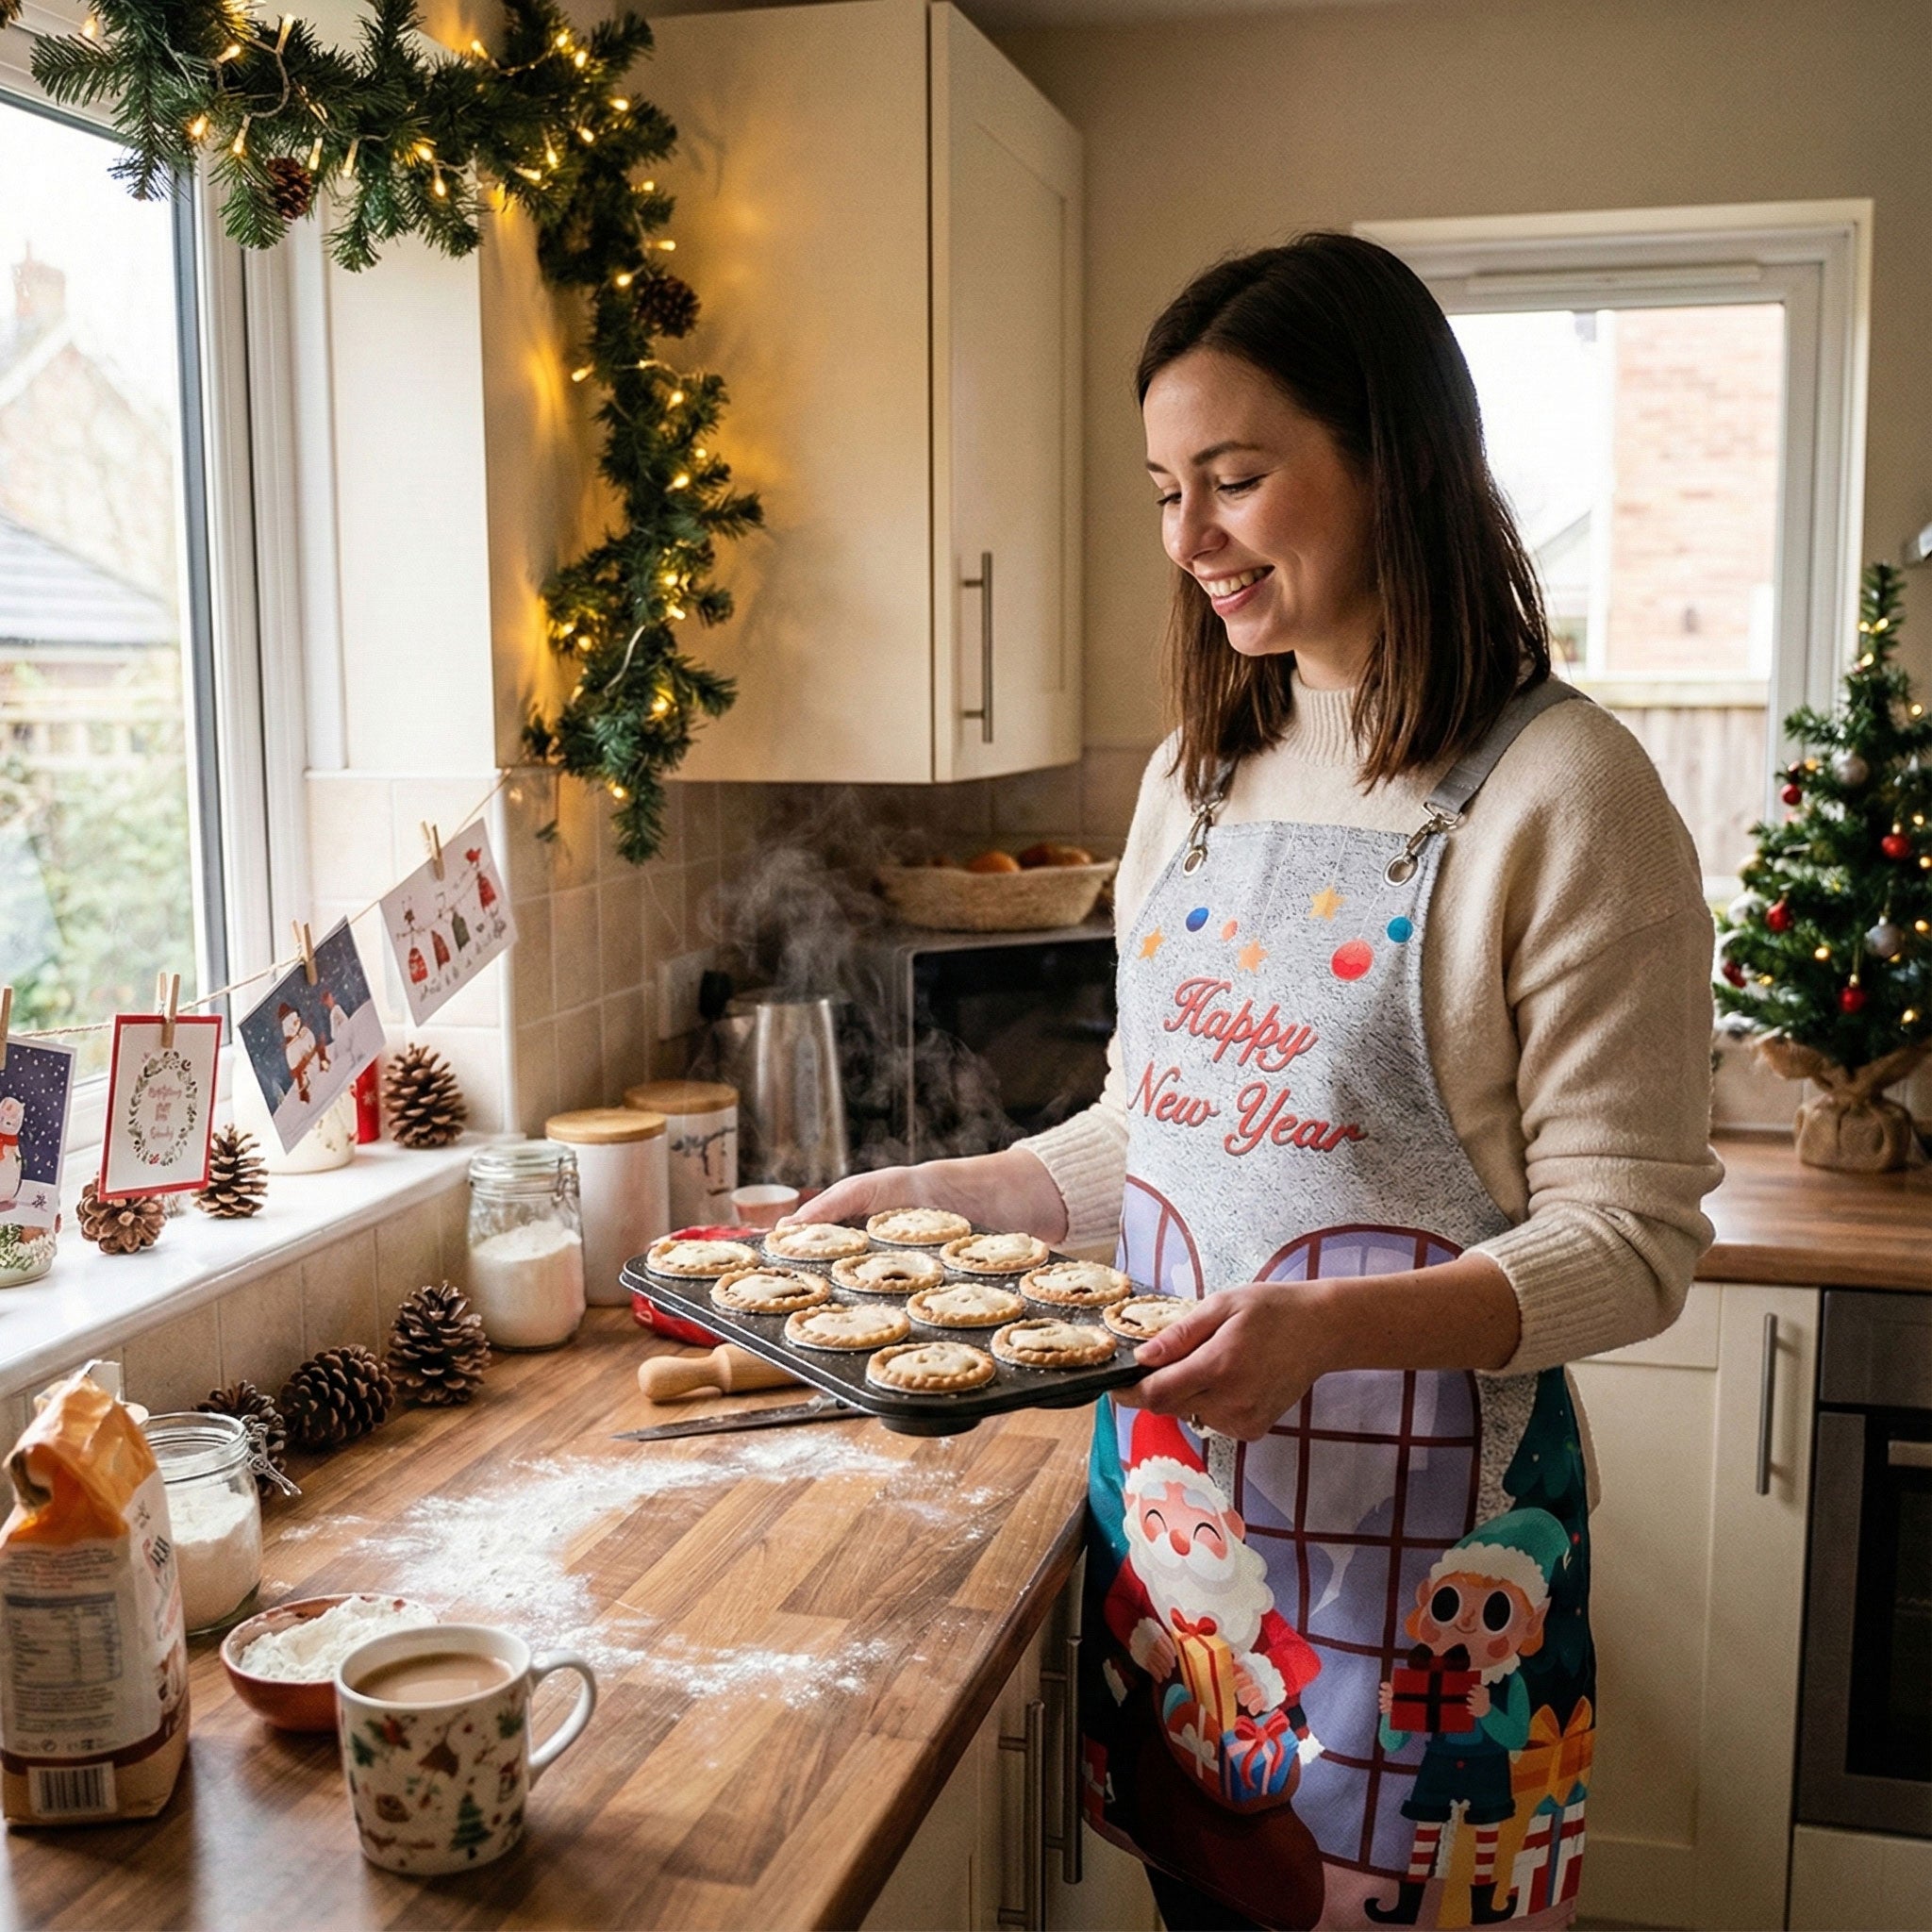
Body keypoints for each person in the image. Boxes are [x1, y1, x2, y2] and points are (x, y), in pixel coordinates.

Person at [791, 233, 1720, 1930]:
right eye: (1167, 489)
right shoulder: (1202, 773)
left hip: (1430, 1574)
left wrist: (1323, 1331)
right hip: (1186, 1555)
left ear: (1392, 464)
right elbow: (1160, 1122)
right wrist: (953, 1195)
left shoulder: (1567, 795)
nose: (1188, 540)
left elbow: (1635, 1243)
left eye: (1236, 478)